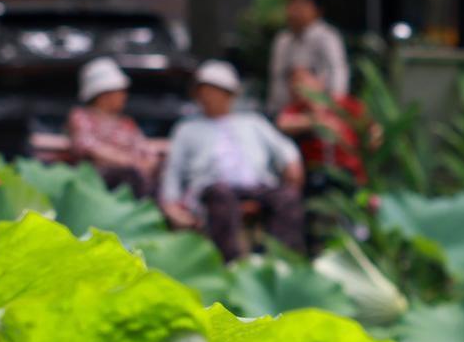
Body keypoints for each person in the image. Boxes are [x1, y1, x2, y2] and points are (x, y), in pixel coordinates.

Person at [159, 60, 305, 261]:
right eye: (204, 91)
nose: (208, 96)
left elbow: (286, 150)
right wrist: (171, 206)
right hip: (212, 188)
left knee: (287, 198)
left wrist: (292, 165)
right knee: (221, 196)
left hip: (257, 185)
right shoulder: (186, 129)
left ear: (229, 95)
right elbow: (173, 171)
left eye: (214, 91)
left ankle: (281, 263)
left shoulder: (253, 122)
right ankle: (230, 265)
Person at [66, 57, 159, 196]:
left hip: (132, 178)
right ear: (104, 95)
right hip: (96, 183)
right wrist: (127, 161)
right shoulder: (81, 117)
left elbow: (145, 149)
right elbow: (88, 146)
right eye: (119, 92)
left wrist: (148, 162)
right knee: (129, 176)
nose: (124, 96)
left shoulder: (126, 123)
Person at [267, 0, 348, 114]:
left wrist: (334, 108)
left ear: (317, 10)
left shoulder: (327, 37)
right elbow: (277, 78)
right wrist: (276, 109)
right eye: (291, 4)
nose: (294, 10)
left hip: (321, 109)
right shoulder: (283, 40)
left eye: (301, 5)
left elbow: (338, 72)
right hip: (285, 110)